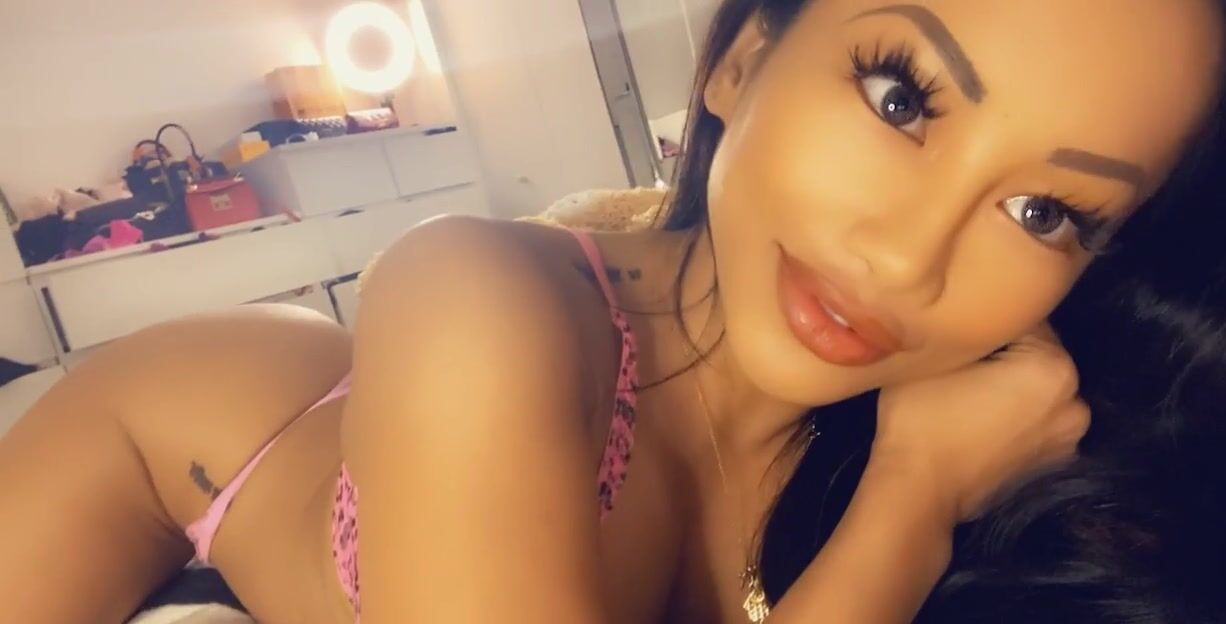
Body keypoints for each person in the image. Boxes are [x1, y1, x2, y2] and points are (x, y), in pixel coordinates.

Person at [2, 1, 1223, 622]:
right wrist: (910, 498)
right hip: (190, 428)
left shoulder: (1012, 431)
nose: (905, 261)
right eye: (899, 99)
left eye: (1044, 212)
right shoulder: (474, 293)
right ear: (739, 61)